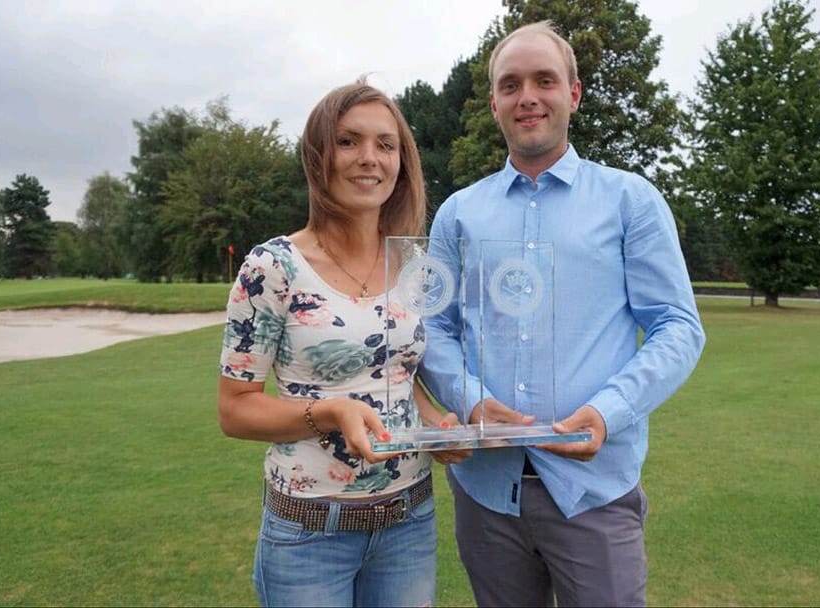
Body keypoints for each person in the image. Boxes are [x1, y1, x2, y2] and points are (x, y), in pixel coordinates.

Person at [419, 22, 706, 607]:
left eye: (544, 80)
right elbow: (430, 327)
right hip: (486, 491)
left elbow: (678, 326)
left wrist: (609, 411)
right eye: (510, 84)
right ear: (494, 101)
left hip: (593, 492)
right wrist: (470, 398)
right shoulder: (456, 214)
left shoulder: (631, 200)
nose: (528, 96)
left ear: (572, 94)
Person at [218, 79, 458, 608]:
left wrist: (439, 425)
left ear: (402, 161)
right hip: (310, 531)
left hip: (408, 521)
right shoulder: (272, 267)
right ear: (317, 156)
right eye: (348, 141)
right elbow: (235, 411)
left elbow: (400, 375)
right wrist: (330, 412)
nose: (368, 158)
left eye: (385, 144)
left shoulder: (414, 265)